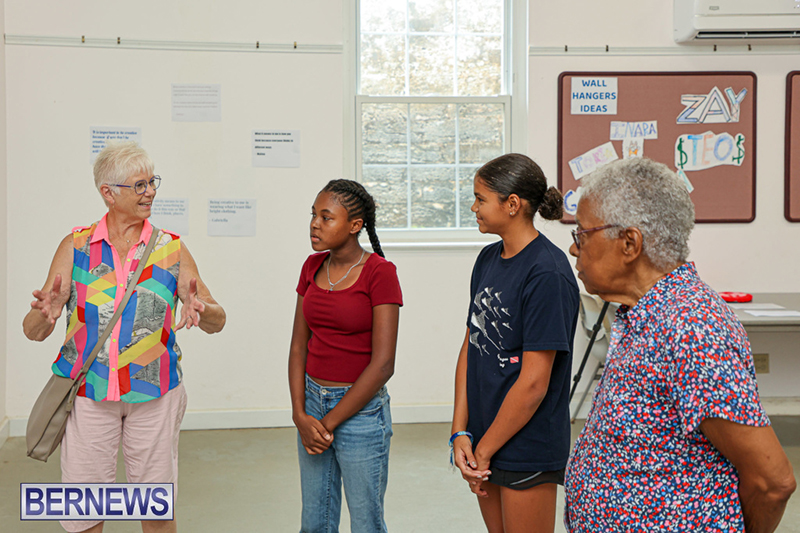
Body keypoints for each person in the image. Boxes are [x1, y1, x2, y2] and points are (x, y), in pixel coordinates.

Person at [564, 157, 796, 532]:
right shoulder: (644, 314)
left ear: (629, 243)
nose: (575, 249)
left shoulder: (692, 327)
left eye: (583, 235)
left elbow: (772, 482)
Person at [23, 142, 226, 533]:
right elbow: (33, 331)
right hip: (89, 395)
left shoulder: (170, 249)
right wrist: (43, 315)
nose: (150, 192)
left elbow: (217, 319)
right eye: (139, 185)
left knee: (156, 511)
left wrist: (204, 310)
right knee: (83, 514)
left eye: (152, 182)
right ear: (108, 193)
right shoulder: (76, 247)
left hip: (155, 396)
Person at [450, 153, 580, 533]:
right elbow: (471, 346)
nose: (473, 207)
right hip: (483, 437)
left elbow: (534, 384)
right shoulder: (487, 259)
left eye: (480, 199)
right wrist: (460, 431)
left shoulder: (548, 273)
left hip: (527, 446)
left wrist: (484, 450)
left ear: (512, 204)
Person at [288, 179, 402, 533]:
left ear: (355, 225)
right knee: (314, 522)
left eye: (326, 217)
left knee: (366, 524)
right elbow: (298, 346)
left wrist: (329, 423)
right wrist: (300, 415)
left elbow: (383, 364)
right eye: (313, 215)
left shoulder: (380, 273)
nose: (315, 224)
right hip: (311, 405)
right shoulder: (311, 266)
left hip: (361, 413)